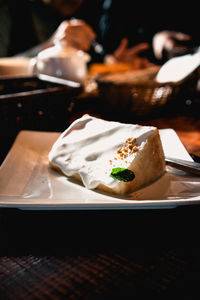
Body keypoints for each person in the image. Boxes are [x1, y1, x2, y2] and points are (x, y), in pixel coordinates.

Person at [0, 0, 199, 66]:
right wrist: (50, 46)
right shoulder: (10, 8)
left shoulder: (94, 7)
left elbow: (104, 55)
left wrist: (113, 63)